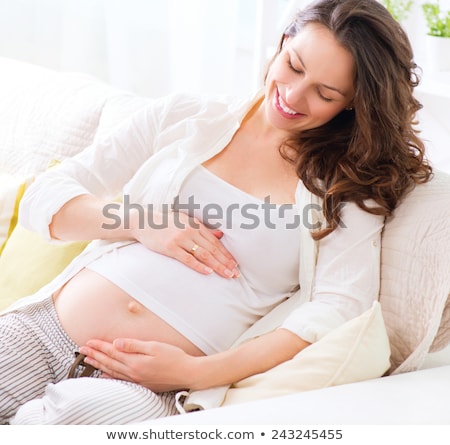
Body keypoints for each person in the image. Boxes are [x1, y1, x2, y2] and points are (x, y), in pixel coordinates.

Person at [0, 0, 431, 425]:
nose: (294, 96)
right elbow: (46, 196)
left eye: (325, 93)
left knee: (68, 419)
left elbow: (339, 308)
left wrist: (197, 372)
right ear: (282, 42)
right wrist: (143, 222)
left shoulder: (346, 186)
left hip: (149, 386)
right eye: (294, 66)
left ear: (352, 103)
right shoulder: (185, 116)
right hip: (45, 329)